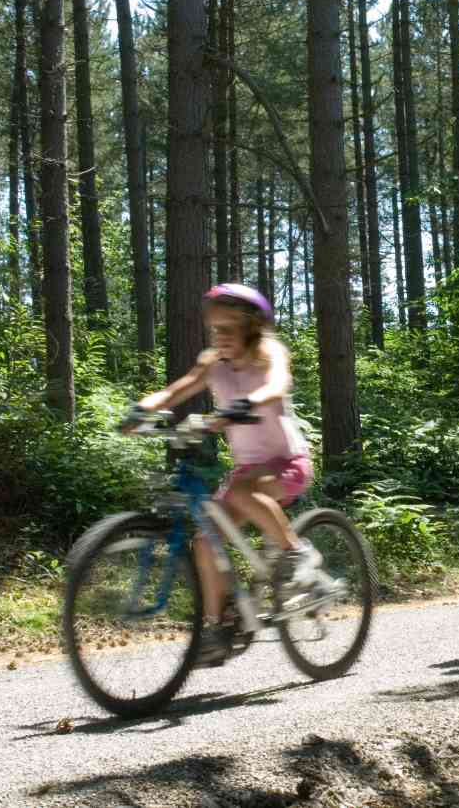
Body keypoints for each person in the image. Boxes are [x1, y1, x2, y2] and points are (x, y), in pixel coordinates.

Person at [129, 283, 317, 663]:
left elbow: (277, 384)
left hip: (287, 463)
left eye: (229, 327)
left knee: (247, 494)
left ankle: (296, 555)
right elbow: (174, 391)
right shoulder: (212, 362)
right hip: (247, 471)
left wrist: (248, 402)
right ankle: (218, 627)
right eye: (216, 328)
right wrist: (140, 409)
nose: (221, 335)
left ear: (251, 328)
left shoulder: (269, 354)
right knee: (204, 539)